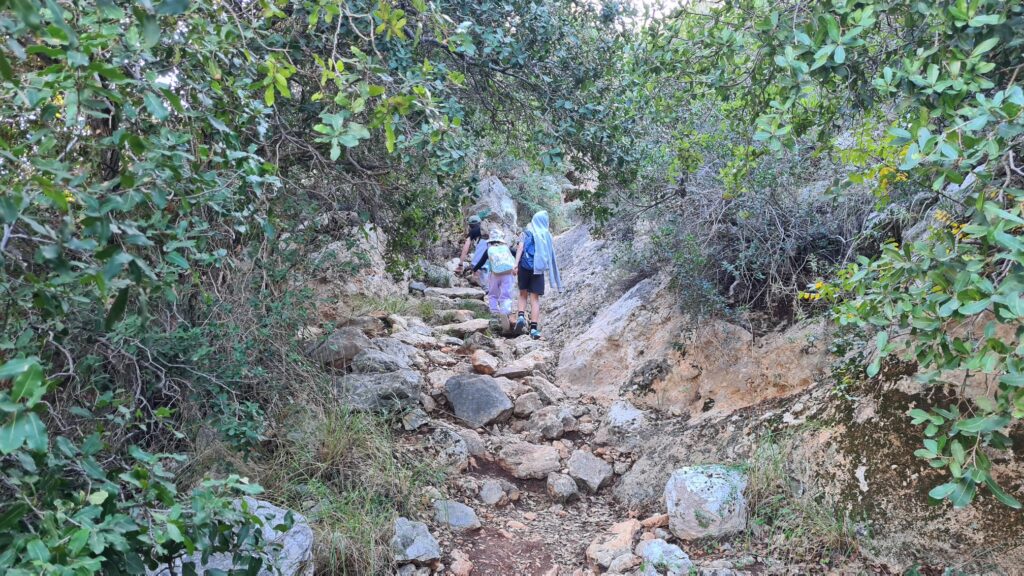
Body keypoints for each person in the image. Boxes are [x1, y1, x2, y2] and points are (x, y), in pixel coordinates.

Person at [513, 210, 562, 339]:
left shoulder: (526, 232)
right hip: (538, 269)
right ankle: (534, 329)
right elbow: (549, 254)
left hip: (524, 266)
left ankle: (521, 316)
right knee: (535, 299)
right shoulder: (547, 235)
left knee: (523, 293)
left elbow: (520, 248)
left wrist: (515, 264)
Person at [472, 229, 517, 323]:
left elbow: (481, 262)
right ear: (501, 240)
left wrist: (474, 269)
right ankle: (505, 311)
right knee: (506, 294)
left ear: (490, 241)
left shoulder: (489, 250)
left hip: (494, 274)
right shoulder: (507, 248)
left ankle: (494, 312)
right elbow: (518, 254)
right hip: (508, 274)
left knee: (492, 294)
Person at [457, 215, 488, 286]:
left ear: (470, 225)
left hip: (482, 260)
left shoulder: (473, 232)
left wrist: (460, 264)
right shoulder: (489, 230)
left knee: (478, 271)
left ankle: (484, 291)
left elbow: (465, 248)